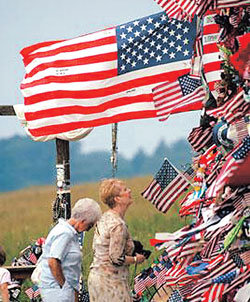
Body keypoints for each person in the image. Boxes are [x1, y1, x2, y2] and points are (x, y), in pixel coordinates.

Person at [88, 178, 146, 302]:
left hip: (96, 279)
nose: (129, 191)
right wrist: (137, 259)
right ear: (117, 199)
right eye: (125, 190)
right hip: (111, 282)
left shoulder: (103, 218)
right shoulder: (118, 225)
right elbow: (116, 258)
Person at [39, 198, 102, 302]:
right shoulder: (64, 233)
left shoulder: (70, 232)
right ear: (83, 221)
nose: (88, 229)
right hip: (57, 291)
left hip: (64, 290)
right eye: (89, 225)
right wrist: (65, 287)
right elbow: (53, 261)